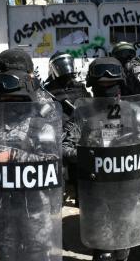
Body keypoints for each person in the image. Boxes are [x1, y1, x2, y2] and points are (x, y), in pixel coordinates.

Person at [0, 48, 63, 261]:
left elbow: (52, 161)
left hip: (34, 205)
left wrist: (13, 156)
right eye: (2, 96)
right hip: (1, 204)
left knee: (37, 252)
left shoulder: (41, 115)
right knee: (6, 251)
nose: (7, 101)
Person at [76, 57, 140, 261]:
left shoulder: (134, 111)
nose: (107, 88)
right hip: (96, 189)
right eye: (102, 84)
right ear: (93, 86)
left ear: (120, 83)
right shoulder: (83, 113)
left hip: (127, 188)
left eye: (111, 84)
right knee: (103, 251)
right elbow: (66, 146)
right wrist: (91, 151)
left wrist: (126, 145)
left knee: (123, 245)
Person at [43, 51, 89, 199]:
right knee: (61, 167)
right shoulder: (47, 90)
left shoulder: (79, 87)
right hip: (58, 131)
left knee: (79, 165)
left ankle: (79, 196)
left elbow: (89, 104)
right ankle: (61, 196)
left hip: (77, 129)